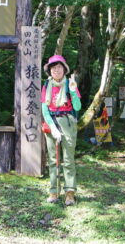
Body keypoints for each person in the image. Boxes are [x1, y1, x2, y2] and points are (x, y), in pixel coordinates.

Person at [41, 54, 81, 205]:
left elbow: (77, 107)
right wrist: (52, 127)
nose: (56, 70)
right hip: (51, 122)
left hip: (68, 122)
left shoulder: (70, 84)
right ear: (50, 71)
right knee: (53, 159)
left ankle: (70, 193)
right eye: (53, 68)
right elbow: (45, 109)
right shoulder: (46, 85)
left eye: (59, 67)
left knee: (68, 159)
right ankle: (53, 191)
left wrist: (72, 91)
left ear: (64, 69)